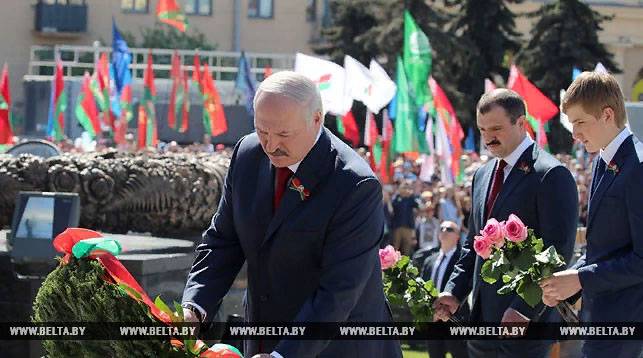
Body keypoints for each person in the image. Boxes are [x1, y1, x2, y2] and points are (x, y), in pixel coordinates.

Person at [181, 71, 402, 358]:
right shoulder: (248, 154)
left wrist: (283, 355)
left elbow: (338, 292)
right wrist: (194, 308)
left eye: (284, 134)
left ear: (316, 119)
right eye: (262, 131)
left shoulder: (354, 185)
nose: (271, 145)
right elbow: (224, 241)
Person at [433, 89, 578, 357]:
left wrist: (523, 307)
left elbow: (557, 253)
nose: (488, 137)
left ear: (521, 123)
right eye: (482, 129)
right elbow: (473, 244)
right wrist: (453, 291)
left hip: (526, 327)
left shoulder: (551, 174)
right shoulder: (483, 175)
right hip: (482, 323)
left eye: (496, 128)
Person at [541, 71, 643, 358]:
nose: (574, 133)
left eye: (580, 122)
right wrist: (569, 280)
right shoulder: (603, 160)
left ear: (607, 114)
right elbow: (605, 249)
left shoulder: (638, 167)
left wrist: (581, 279)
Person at [421, 220, 469, 358]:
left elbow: (464, 286)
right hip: (433, 319)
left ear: (458, 236)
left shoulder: (463, 261)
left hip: (455, 318)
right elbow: (424, 288)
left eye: (449, 229)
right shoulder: (430, 260)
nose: (443, 230)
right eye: (441, 228)